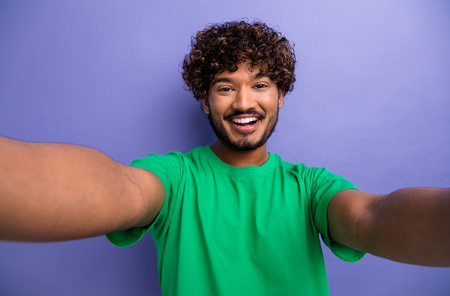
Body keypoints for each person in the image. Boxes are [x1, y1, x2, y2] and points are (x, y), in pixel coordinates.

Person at [0, 21, 448, 296]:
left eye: (260, 84)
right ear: (205, 101)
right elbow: (119, 188)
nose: (243, 102)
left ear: (280, 96)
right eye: (225, 86)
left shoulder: (310, 187)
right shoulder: (175, 179)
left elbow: (372, 216)